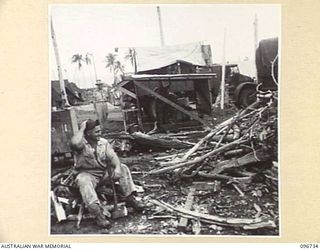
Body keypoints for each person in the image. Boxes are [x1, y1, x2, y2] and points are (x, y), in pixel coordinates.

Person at [70, 119, 144, 228]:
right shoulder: (80, 144)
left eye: (100, 131)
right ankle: (98, 215)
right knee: (83, 181)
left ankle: (130, 198)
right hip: (87, 174)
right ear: (88, 133)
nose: (100, 133)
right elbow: (75, 142)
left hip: (103, 173)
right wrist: (82, 128)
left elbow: (113, 157)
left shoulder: (103, 142)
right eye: (97, 132)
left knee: (123, 168)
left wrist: (117, 168)